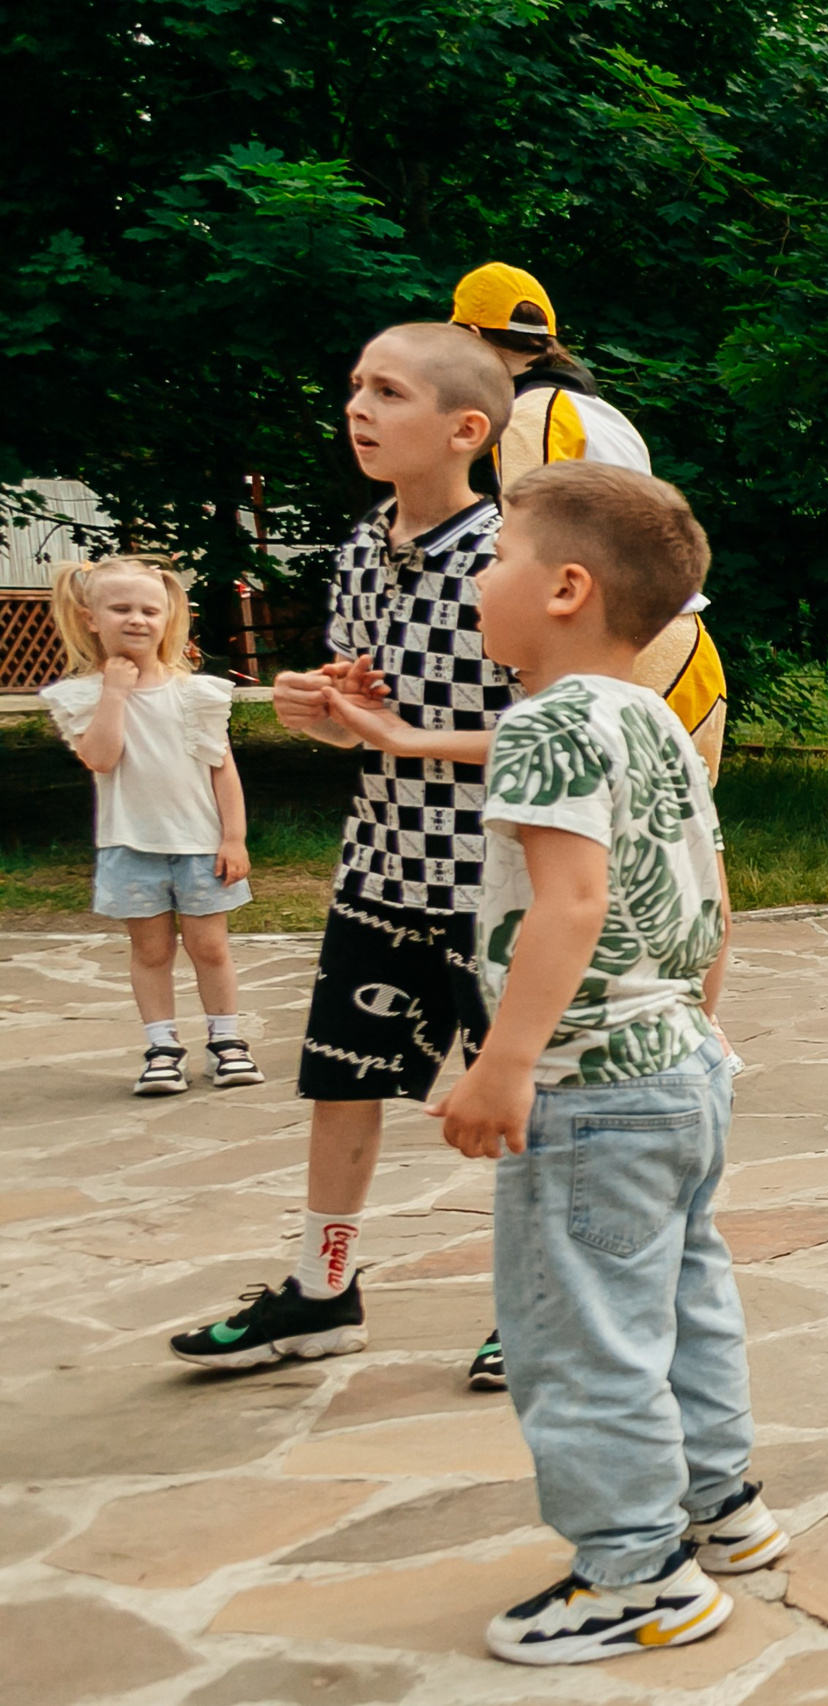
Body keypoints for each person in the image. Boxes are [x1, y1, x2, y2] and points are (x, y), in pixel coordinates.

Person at [403, 459, 778, 1665]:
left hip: (591, 1083)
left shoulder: (548, 723)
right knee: (681, 1302)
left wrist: (505, 1061)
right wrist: (703, 1024)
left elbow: (568, 904)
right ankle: (723, 1507)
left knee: (577, 1333)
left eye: (496, 555)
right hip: (681, 1061)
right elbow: (709, 893)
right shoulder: (650, 718)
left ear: (565, 587)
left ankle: (633, 1573)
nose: (479, 576)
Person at [168, 324, 518, 1371]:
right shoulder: (362, 544)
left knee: (518, 1099)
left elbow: (568, 724)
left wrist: (410, 735)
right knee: (342, 1079)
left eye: (388, 391)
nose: (358, 407)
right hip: (381, 864)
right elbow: (363, 710)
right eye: (356, 387)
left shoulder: (516, 552)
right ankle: (324, 1291)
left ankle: (537, 1302)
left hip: (501, 878)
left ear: (465, 428)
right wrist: (314, 705)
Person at [450, 263, 728, 783]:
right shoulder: (596, 408)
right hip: (678, 646)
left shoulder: (531, 416)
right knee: (677, 848)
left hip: (628, 653)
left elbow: (536, 553)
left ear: (469, 337)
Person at [41, 557, 261, 1096]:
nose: (136, 619)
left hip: (200, 845)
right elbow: (101, 758)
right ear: (91, 618)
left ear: (167, 618)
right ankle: (162, 1047)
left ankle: (227, 1041)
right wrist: (114, 692)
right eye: (120, 609)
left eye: (149, 610)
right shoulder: (81, 697)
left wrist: (233, 837)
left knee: (210, 948)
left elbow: (221, 768)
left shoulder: (195, 694)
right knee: (152, 952)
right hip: (130, 846)